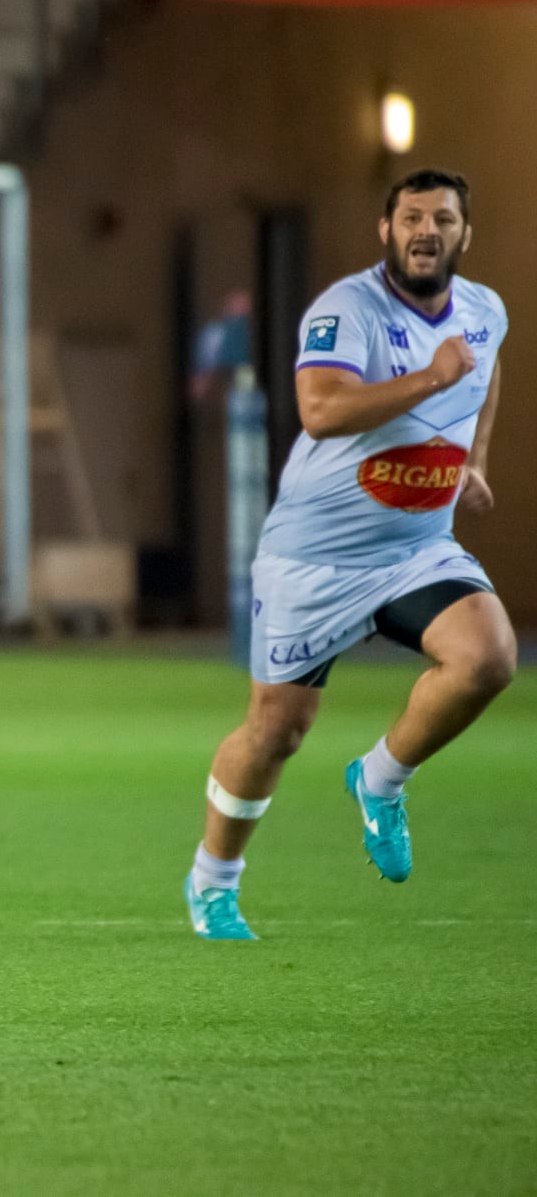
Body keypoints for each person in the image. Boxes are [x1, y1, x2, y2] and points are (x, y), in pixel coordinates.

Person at [185, 168, 514, 940]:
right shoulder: (347, 308)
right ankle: (213, 881)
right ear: (385, 231)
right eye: (410, 218)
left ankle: (379, 779)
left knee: (488, 656)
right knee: (276, 732)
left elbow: (483, 380)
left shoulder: (484, 311)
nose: (426, 230)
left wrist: (477, 460)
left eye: (442, 219)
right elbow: (321, 409)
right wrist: (426, 378)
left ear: (466, 234)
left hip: (416, 546)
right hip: (316, 559)